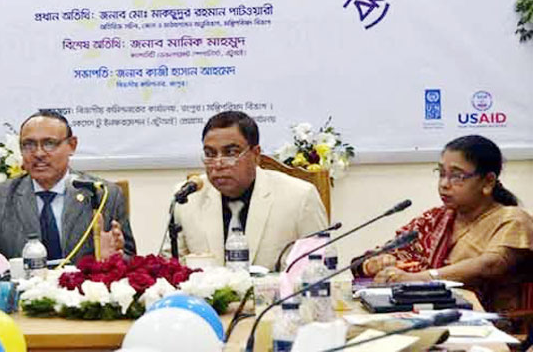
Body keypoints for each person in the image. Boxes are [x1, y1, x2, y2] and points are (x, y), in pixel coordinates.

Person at [355, 135, 533, 313]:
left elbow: (489, 265)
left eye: (457, 176)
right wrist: (374, 264)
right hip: (428, 313)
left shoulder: (513, 219)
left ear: (488, 182)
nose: (444, 184)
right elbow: (382, 255)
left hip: (491, 321)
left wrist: (420, 279)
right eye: (441, 174)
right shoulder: (435, 218)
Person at [164, 111, 328, 268]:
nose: (218, 164)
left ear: (256, 154)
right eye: (210, 154)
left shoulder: (299, 196)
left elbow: (322, 266)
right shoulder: (187, 198)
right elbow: (170, 267)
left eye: (231, 153)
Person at [0, 110, 135, 263]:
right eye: (29, 145)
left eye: (49, 143)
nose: (38, 153)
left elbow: (131, 261)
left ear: (72, 145)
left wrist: (114, 259)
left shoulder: (103, 194)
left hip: (82, 286)